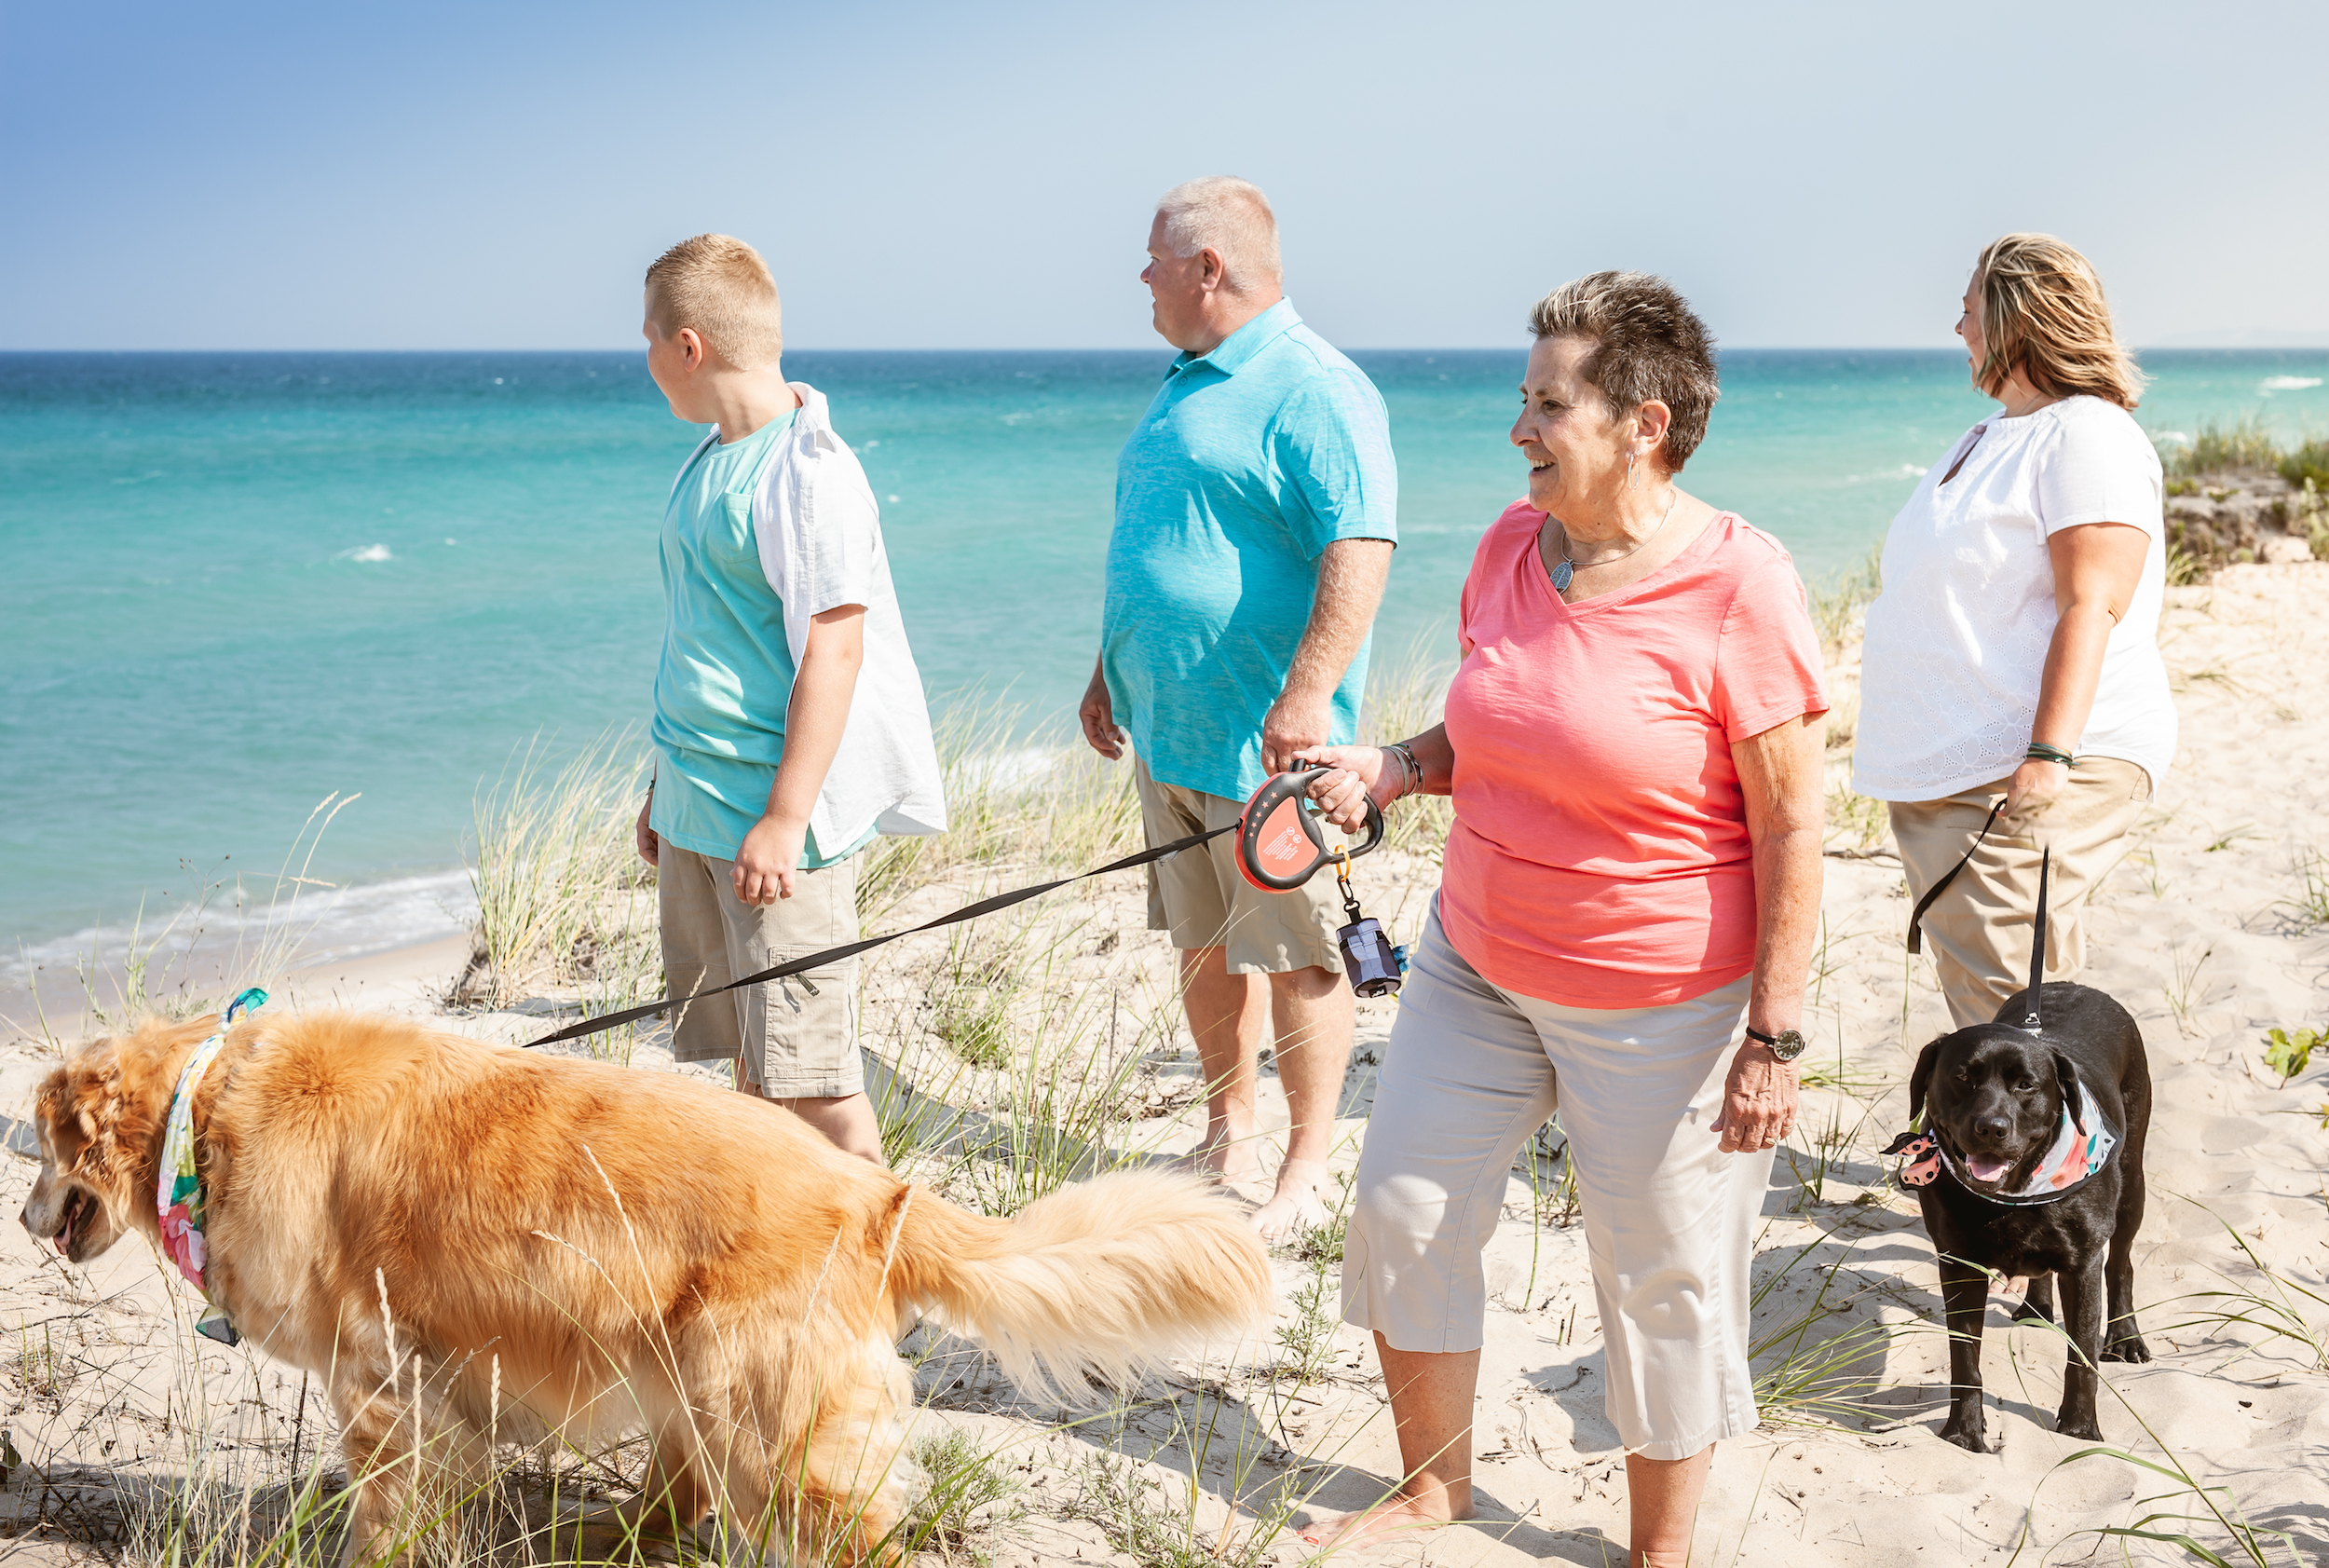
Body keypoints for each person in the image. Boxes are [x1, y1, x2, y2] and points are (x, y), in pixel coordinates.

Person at [1295, 272, 1828, 1566]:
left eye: (1548, 404)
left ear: (1644, 425)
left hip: (1663, 1001)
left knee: (1659, 1274)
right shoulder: (1507, 547)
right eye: (1523, 398)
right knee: (1403, 1206)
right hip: (1477, 962)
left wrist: (1773, 1036)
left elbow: (1791, 826)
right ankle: (1435, 1492)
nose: (1519, 427)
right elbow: (1491, 731)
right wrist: (1395, 766)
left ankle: (1659, 1552)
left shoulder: (1741, 582)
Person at [1078, 176, 1398, 1244]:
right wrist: (1105, 666)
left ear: (1208, 268)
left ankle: (1304, 1167)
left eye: (1156, 259)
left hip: (1264, 742)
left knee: (1300, 956)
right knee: (1203, 943)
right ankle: (1229, 1131)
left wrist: (1306, 695)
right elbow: (1165, 534)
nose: (1142, 276)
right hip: (1169, 730)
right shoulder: (1183, 382)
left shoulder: (1314, 384)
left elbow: (1358, 543)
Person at [632, 233, 946, 1162]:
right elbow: (706, 636)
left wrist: (784, 816)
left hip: (773, 822)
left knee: (816, 1081)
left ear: (689, 346)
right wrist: (662, 788)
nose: (644, 358)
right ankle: (787, 1245)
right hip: (698, 804)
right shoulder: (708, 460)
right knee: (753, 1070)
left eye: (648, 338)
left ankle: (888, 1245)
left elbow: (834, 653)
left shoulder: (809, 471)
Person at [1854, 234, 2171, 1029]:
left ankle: (2071, 1120)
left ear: (2014, 322)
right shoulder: (1990, 434)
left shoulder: (2087, 434)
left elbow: (2092, 601)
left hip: (2025, 768)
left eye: (1969, 311)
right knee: (1997, 1020)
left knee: (2013, 1029)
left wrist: (2048, 755)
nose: (1958, 329)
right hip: (1956, 774)